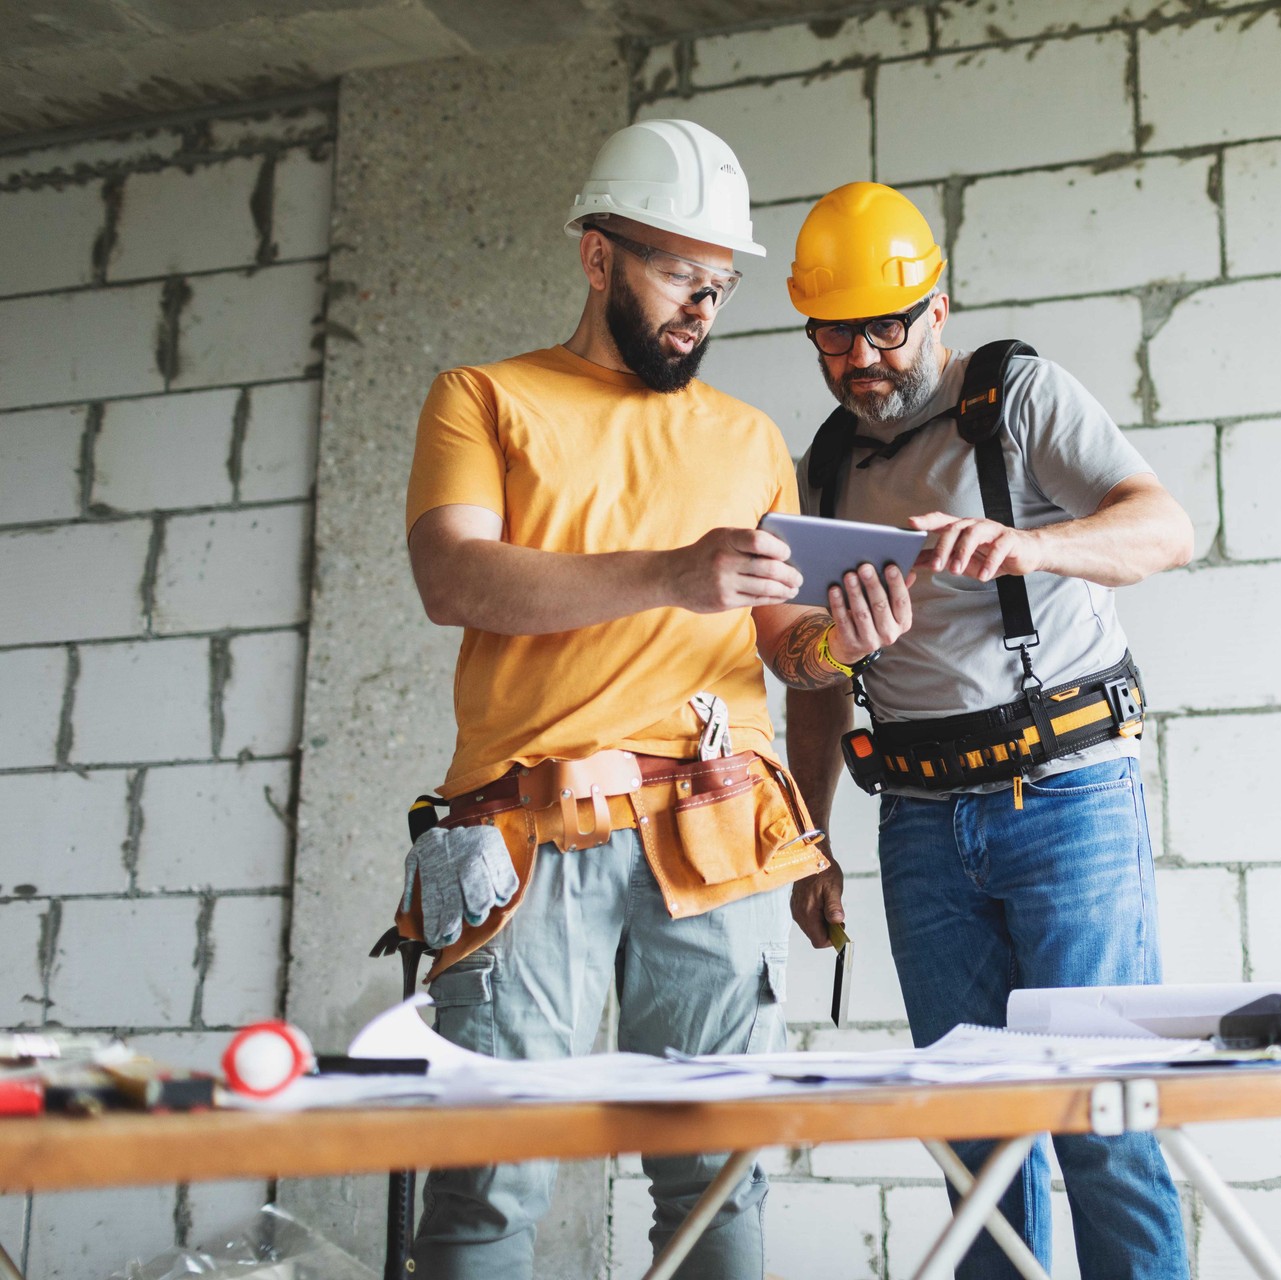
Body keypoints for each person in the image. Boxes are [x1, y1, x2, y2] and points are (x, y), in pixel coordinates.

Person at [396, 123, 912, 1280]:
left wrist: (844, 641)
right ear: (597, 256)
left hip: (718, 830)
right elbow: (453, 576)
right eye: (681, 275)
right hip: (531, 835)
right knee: (488, 1181)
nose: (701, 308)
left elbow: (790, 649)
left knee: (718, 1177)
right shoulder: (484, 398)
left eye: (719, 286)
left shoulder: (748, 437)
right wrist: (673, 572)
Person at [782, 182, 1196, 1280]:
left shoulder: (1015, 398)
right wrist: (808, 836)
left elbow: (1165, 527)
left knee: (1101, 1121)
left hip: (1067, 800)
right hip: (919, 825)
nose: (863, 353)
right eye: (836, 332)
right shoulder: (824, 465)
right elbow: (813, 678)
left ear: (938, 307)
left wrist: (1033, 547)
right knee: (977, 1139)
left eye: (886, 325)